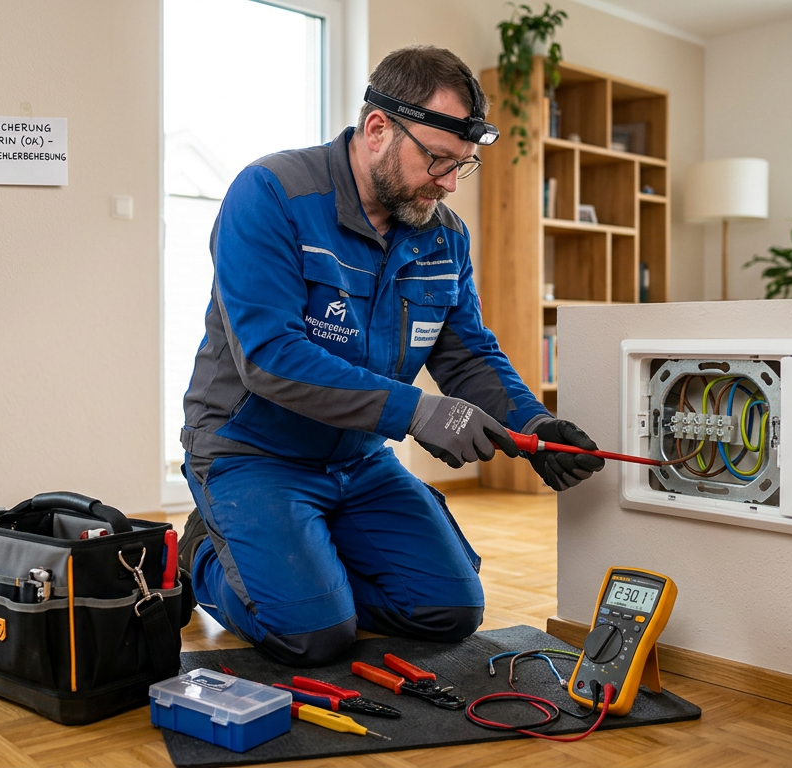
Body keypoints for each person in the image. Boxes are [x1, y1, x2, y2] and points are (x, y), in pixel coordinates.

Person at [177, 45, 603, 667]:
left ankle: (309, 571)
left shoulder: (443, 235)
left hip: (357, 459)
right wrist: (415, 412)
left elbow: (467, 353)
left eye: (463, 166)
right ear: (378, 128)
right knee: (314, 637)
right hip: (253, 453)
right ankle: (204, 554)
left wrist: (533, 424)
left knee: (451, 610)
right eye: (437, 159)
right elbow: (268, 357)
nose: (450, 183)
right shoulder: (270, 194)